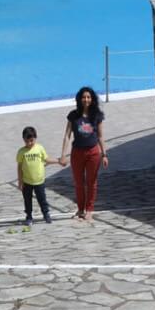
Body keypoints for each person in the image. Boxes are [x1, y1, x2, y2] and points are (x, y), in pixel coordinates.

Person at [60, 85, 108, 222]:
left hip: (93, 153)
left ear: (92, 99)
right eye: (83, 97)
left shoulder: (96, 116)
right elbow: (67, 136)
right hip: (77, 153)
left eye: (88, 97)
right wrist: (63, 154)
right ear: (79, 99)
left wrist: (104, 154)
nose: (86, 99)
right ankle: (80, 209)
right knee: (78, 182)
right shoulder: (73, 116)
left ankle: (89, 210)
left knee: (91, 182)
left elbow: (100, 136)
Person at [14, 125, 55, 225]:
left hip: (39, 181)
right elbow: (19, 167)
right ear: (23, 140)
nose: (29, 143)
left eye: (31, 141)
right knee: (27, 200)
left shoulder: (40, 148)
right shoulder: (21, 152)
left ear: (35, 138)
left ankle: (46, 214)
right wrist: (20, 181)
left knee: (42, 199)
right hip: (26, 182)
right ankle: (29, 216)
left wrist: (58, 161)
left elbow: (47, 159)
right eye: (27, 141)